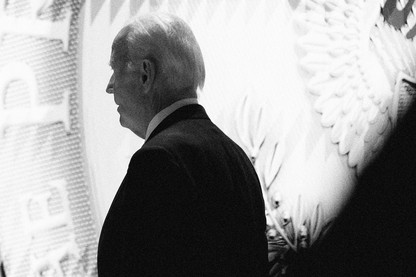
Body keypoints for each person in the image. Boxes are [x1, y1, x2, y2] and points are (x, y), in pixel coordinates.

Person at [97, 13, 268, 276]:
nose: (110, 87)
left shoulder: (158, 161)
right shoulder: (239, 159)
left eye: (115, 69)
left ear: (145, 74)